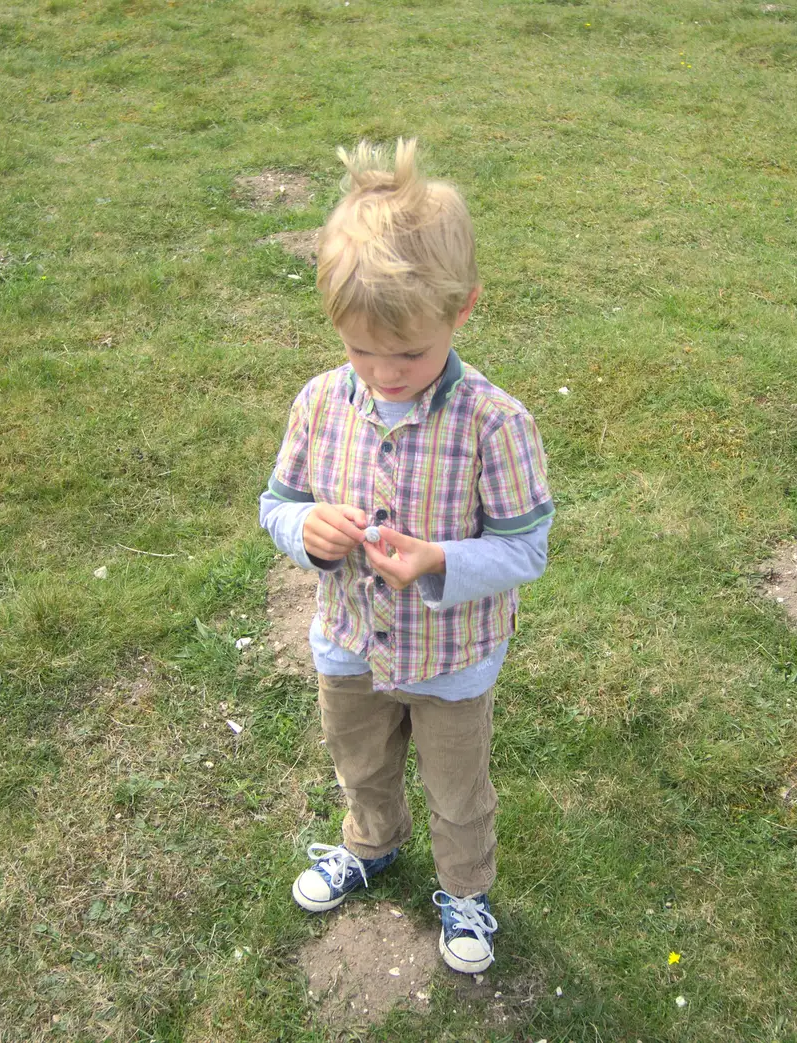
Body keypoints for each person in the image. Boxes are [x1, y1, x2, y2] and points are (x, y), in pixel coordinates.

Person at [258, 139, 553, 974]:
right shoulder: (320, 402)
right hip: (347, 641)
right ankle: (371, 843)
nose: (385, 373)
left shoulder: (496, 424)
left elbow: (526, 547)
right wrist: (305, 527)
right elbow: (276, 504)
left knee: (458, 789)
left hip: (452, 659)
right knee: (362, 761)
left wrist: (438, 562)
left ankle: (466, 889)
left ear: (462, 310)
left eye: (410, 354)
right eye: (361, 351)